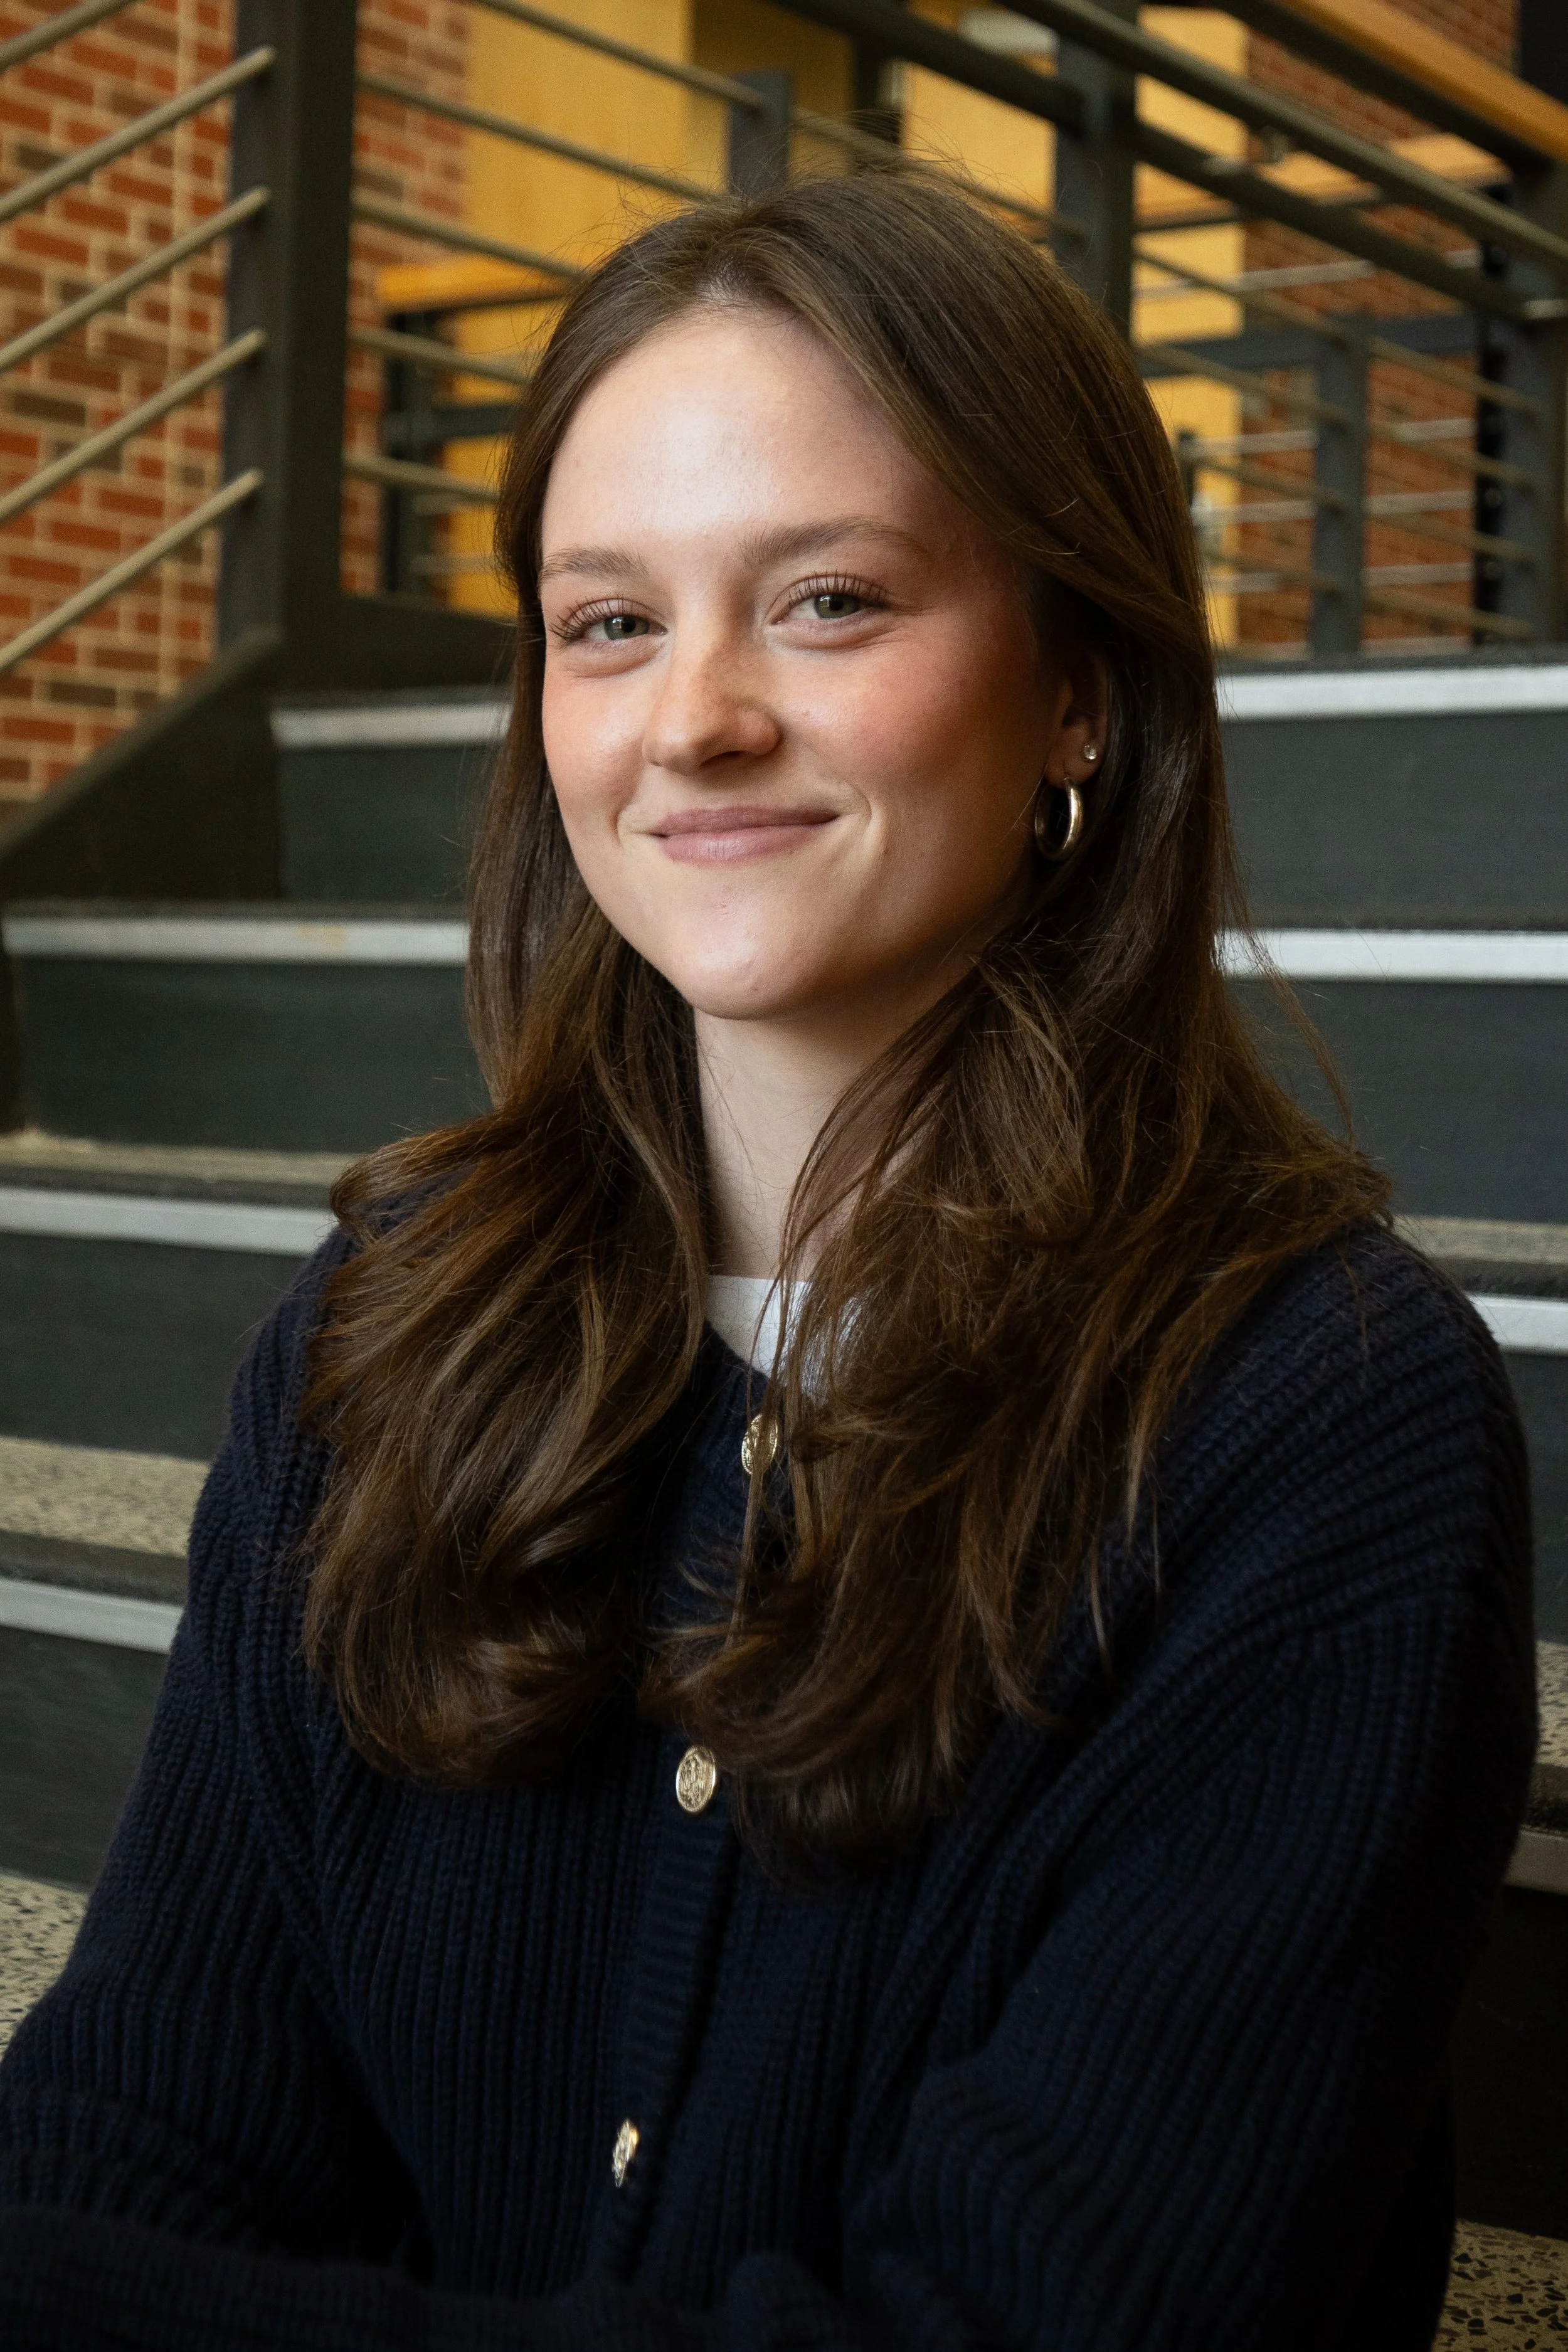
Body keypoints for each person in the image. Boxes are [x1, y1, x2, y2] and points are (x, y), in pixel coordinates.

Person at [0, 170, 1534, 2351]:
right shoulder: (378, 1335)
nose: (692, 715)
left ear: (1077, 685)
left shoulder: (1317, 1419)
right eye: (606, 621)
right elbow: (130, 2135)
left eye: (825, 599)